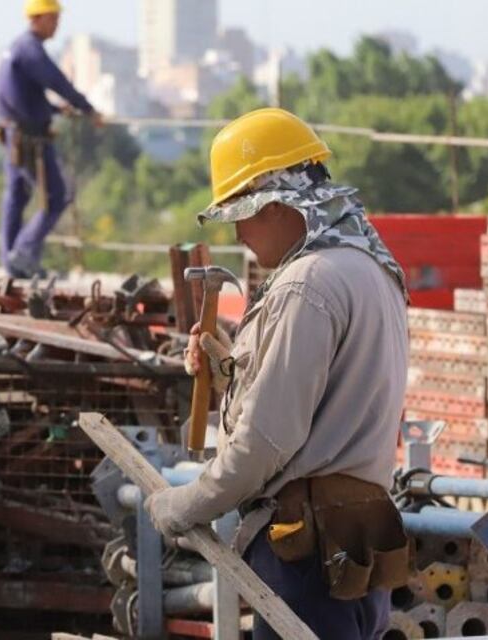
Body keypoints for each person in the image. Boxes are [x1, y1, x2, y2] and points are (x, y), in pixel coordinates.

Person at [144, 108, 411, 639]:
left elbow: (265, 442)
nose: (239, 232)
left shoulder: (304, 286)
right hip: (359, 541)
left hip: (306, 555)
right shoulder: (371, 270)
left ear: (278, 202)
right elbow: (330, 403)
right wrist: (229, 371)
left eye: (241, 213)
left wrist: (181, 504)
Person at [0, 0, 103, 278]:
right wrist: (87, 108)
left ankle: (11, 262)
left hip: (13, 133)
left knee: (16, 197)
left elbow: (24, 95)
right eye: (53, 19)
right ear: (37, 18)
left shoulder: (17, 48)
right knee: (56, 196)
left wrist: (54, 109)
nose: (56, 25)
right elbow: (57, 82)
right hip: (29, 138)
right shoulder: (30, 50)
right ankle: (24, 253)